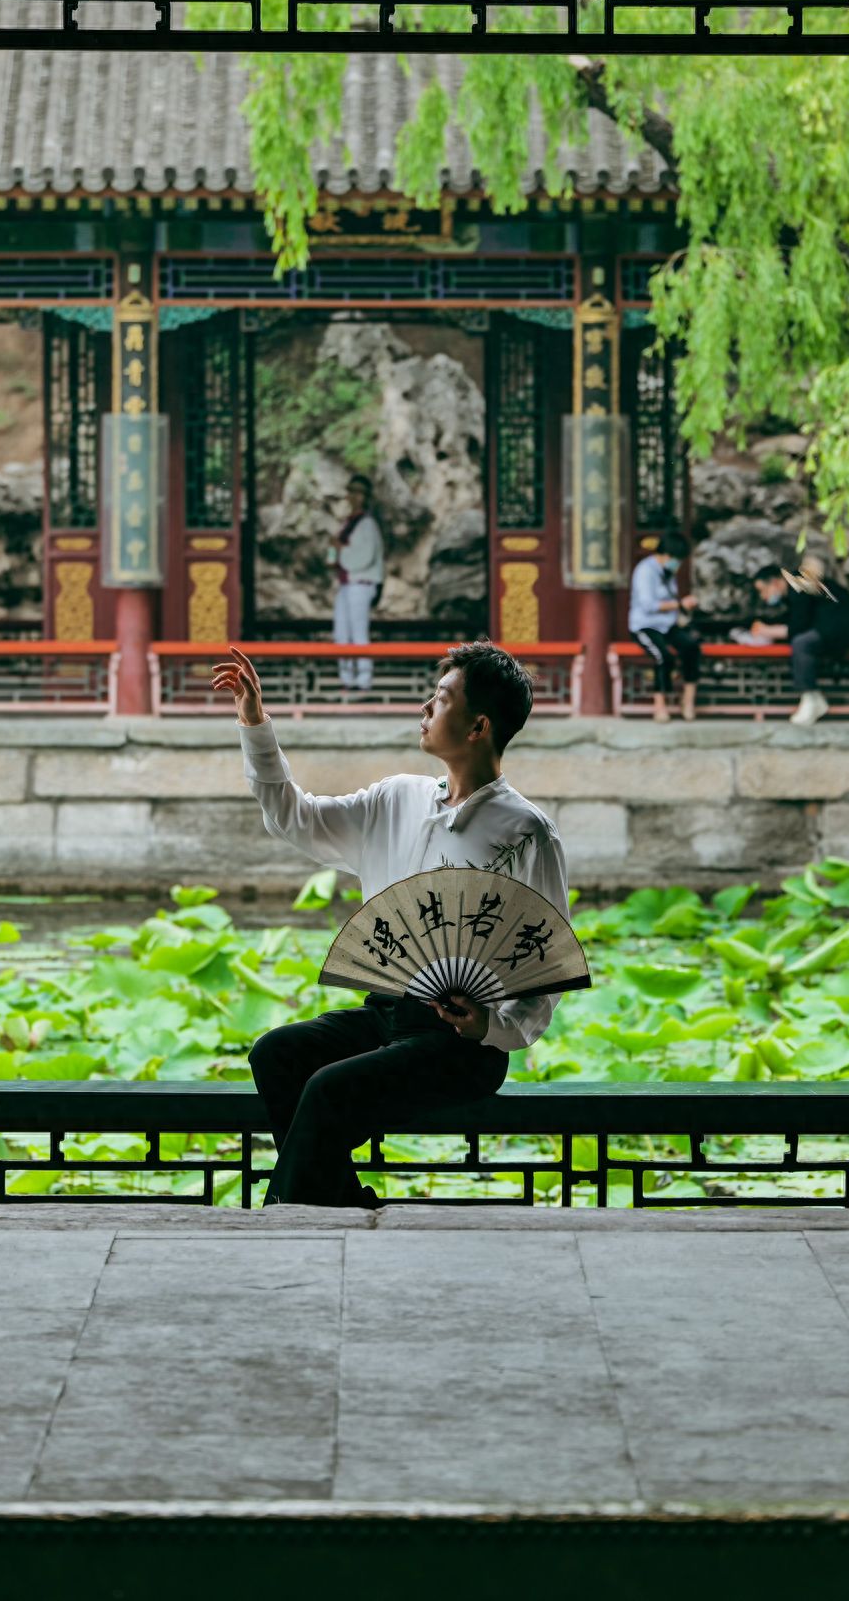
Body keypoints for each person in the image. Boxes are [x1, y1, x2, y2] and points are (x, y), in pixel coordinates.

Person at [210, 639, 570, 1208]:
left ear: (478, 726)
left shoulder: (527, 832)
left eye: (442, 698)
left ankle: (282, 1217)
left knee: (328, 1088)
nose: (426, 708)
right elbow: (292, 817)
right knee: (276, 1053)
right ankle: (338, 1201)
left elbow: (546, 965)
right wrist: (256, 723)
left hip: (460, 1044)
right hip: (386, 1014)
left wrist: (490, 1027)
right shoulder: (395, 799)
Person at [750, 555, 849, 725]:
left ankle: (810, 699)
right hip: (841, 627)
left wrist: (767, 631)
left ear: (774, 582)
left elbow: (798, 627)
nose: (763, 597)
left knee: (802, 643)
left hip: (846, 627)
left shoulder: (799, 583)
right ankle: (813, 698)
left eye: (762, 590)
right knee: (803, 642)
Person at [628, 528, 702, 722]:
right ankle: (660, 706)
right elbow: (648, 605)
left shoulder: (668, 572)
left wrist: (683, 609)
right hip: (644, 626)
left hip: (667, 624)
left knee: (691, 647)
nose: (678, 564)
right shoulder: (645, 571)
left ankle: (688, 701)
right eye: (677, 559)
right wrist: (679, 604)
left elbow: (671, 600)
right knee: (663, 656)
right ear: (667, 555)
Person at [329, 473, 384, 699]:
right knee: (341, 632)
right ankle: (347, 678)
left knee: (359, 632)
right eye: (351, 490)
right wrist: (336, 552)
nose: (353, 495)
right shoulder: (348, 523)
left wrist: (340, 550)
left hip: (361, 583)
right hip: (347, 583)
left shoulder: (367, 524)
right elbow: (337, 552)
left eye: (357, 491)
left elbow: (364, 557)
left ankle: (363, 679)